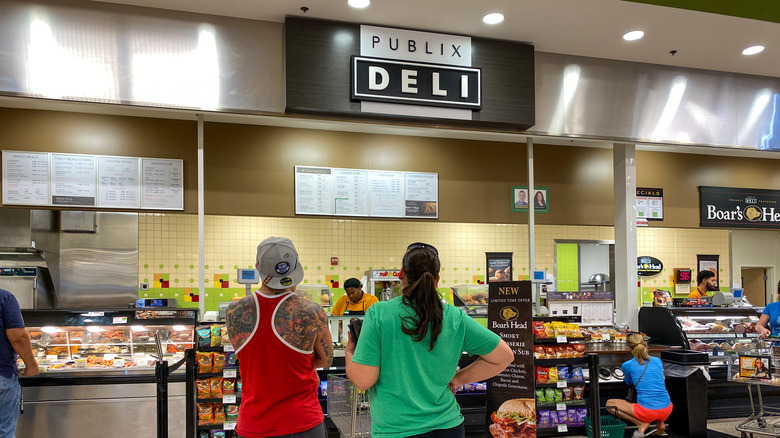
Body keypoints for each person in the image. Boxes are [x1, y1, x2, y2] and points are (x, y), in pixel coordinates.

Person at [345, 242, 514, 437]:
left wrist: (350, 353)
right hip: (448, 427)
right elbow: (504, 356)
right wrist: (458, 379)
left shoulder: (379, 313)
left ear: (401, 273)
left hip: (396, 430)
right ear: (437, 280)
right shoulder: (454, 317)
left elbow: (363, 381)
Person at [225, 237, 333, 438]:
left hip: (254, 425)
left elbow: (255, 356)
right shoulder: (312, 311)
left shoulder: (234, 311)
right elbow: (326, 359)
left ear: (257, 267)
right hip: (303, 422)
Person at [606, 334, 672, 437]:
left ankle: (641, 424)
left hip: (647, 412)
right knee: (657, 400)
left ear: (629, 348)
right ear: (645, 345)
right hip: (667, 407)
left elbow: (628, 382)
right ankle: (661, 423)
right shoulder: (658, 361)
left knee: (609, 404)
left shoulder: (627, 365)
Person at [1, 288, 39, 437]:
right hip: (2, 376)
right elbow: (18, 338)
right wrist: (31, 366)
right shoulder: (4, 297)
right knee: (4, 432)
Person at [331, 278, 379, 343]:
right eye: (348, 294)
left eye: (353, 293)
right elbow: (333, 319)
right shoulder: (342, 300)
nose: (351, 296)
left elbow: (375, 322)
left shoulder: (371, 300)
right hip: (345, 340)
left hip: (366, 339)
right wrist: (342, 336)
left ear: (360, 287)